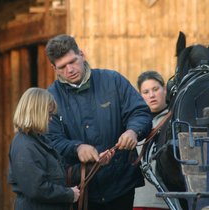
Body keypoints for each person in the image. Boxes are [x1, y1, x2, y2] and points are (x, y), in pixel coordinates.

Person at [45, 34, 153, 210]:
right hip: (81, 190)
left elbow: (140, 112)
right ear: (53, 68)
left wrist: (133, 131)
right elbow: (51, 140)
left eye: (72, 61)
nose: (70, 69)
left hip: (121, 185)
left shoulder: (113, 80)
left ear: (82, 54)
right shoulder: (51, 98)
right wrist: (77, 148)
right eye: (62, 67)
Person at [8, 87, 80, 210]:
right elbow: (37, 188)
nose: (51, 119)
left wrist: (94, 164)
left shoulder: (38, 140)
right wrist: (69, 194)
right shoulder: (24, 145)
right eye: (49, 114)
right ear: (37, 112)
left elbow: (59, 172)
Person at [133, 70, 169, 210]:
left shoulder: (175, 119)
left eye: (155, 89)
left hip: (169, 199)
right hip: (139, 199)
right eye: (146, 92)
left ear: (164, 89)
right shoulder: (134, 123)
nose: (152, 95)